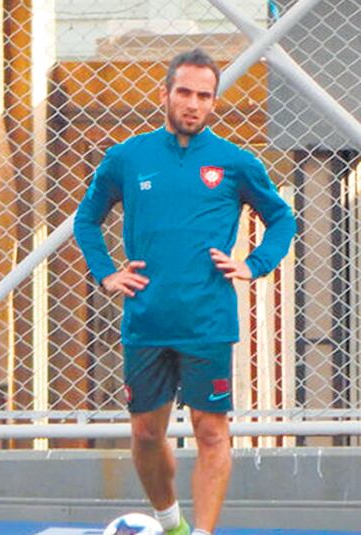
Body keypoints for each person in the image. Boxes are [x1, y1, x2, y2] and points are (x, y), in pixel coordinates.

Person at [73, 49, 296, 535]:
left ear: (214, 102)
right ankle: (169, 521)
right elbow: (87, 220)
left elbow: (282, 218)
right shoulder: (128, 157)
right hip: (147, 320)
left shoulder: (235, 162)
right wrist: (107, 272)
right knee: (146, 433)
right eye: (185, 93)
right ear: (166, 94)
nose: (194, 104)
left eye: (204, 96)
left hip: (208, 322)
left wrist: (253, 264)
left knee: (211, 431)